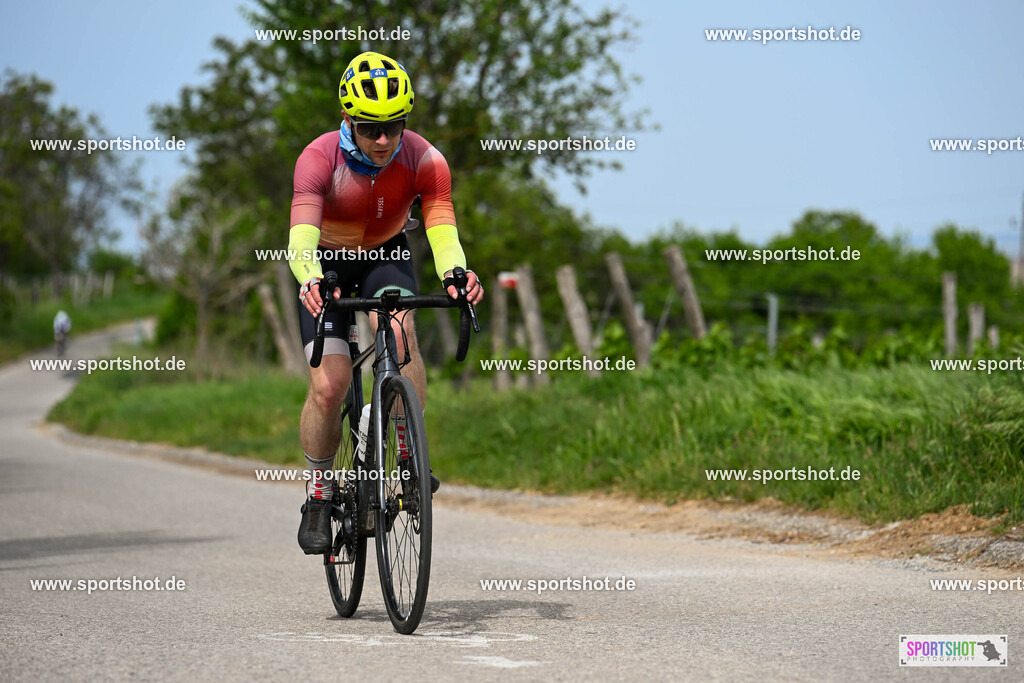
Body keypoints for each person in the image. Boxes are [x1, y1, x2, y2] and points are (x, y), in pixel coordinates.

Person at [289, 51, 484, 554]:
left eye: (393, 127)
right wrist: (311, 280)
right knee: (329, 387)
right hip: (328, 262)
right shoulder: (317, 159)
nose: (383, 140)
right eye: (371, 129)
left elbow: (441, 228)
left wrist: (456, 275)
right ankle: (319, 492)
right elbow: (300, 241)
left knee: (399, 331)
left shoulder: (425, 159)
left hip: (386, 253)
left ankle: (406, 454)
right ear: (347, 119)